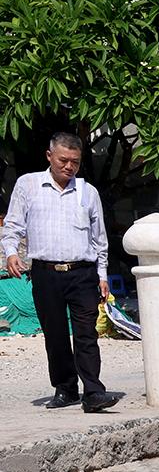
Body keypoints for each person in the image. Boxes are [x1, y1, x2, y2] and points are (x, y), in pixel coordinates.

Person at [1, 132, 122, 413]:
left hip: (82, 273)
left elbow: (99, 239)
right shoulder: (28, 185)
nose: (69, 167)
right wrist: (10, 253)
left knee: (86, 334)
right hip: (45, 274)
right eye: (63, 160)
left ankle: (93, 391)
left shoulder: (87, 192)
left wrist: (102, 275)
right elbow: (13, 225)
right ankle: (66, 389)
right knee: (55, 335)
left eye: (75, 163)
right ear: (49, 156)